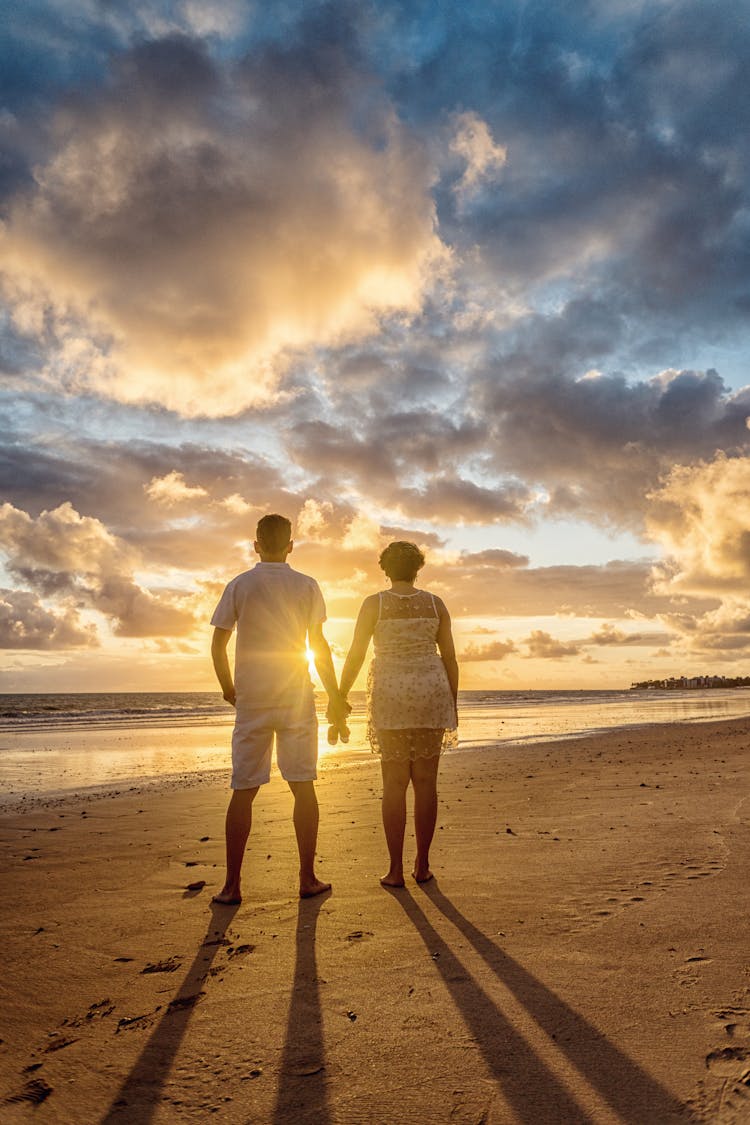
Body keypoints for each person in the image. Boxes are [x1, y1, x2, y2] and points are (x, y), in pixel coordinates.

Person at [210, 513, 349, 904]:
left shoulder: (240, 584)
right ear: (291, 545)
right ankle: (307, 877)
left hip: (252, 697)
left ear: (256, 544)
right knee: (302, 786)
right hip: (295, 696)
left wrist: (228, 688)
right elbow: (319, 646)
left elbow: (218, 644)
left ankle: (232, 885)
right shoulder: (306, 585)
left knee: (243, 789)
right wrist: (335, 695)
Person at [338, 541, 458, 887]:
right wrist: (453, 702)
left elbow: (356, 653)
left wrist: (340, 695)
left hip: (390, 694)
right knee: (426, 783)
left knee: (393, 784)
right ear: (417, 569)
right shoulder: (436, 604)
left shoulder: (373, 604)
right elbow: (449, 658)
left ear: (386, 570)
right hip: (430, 693)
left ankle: (394, 870)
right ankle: (422, 865)